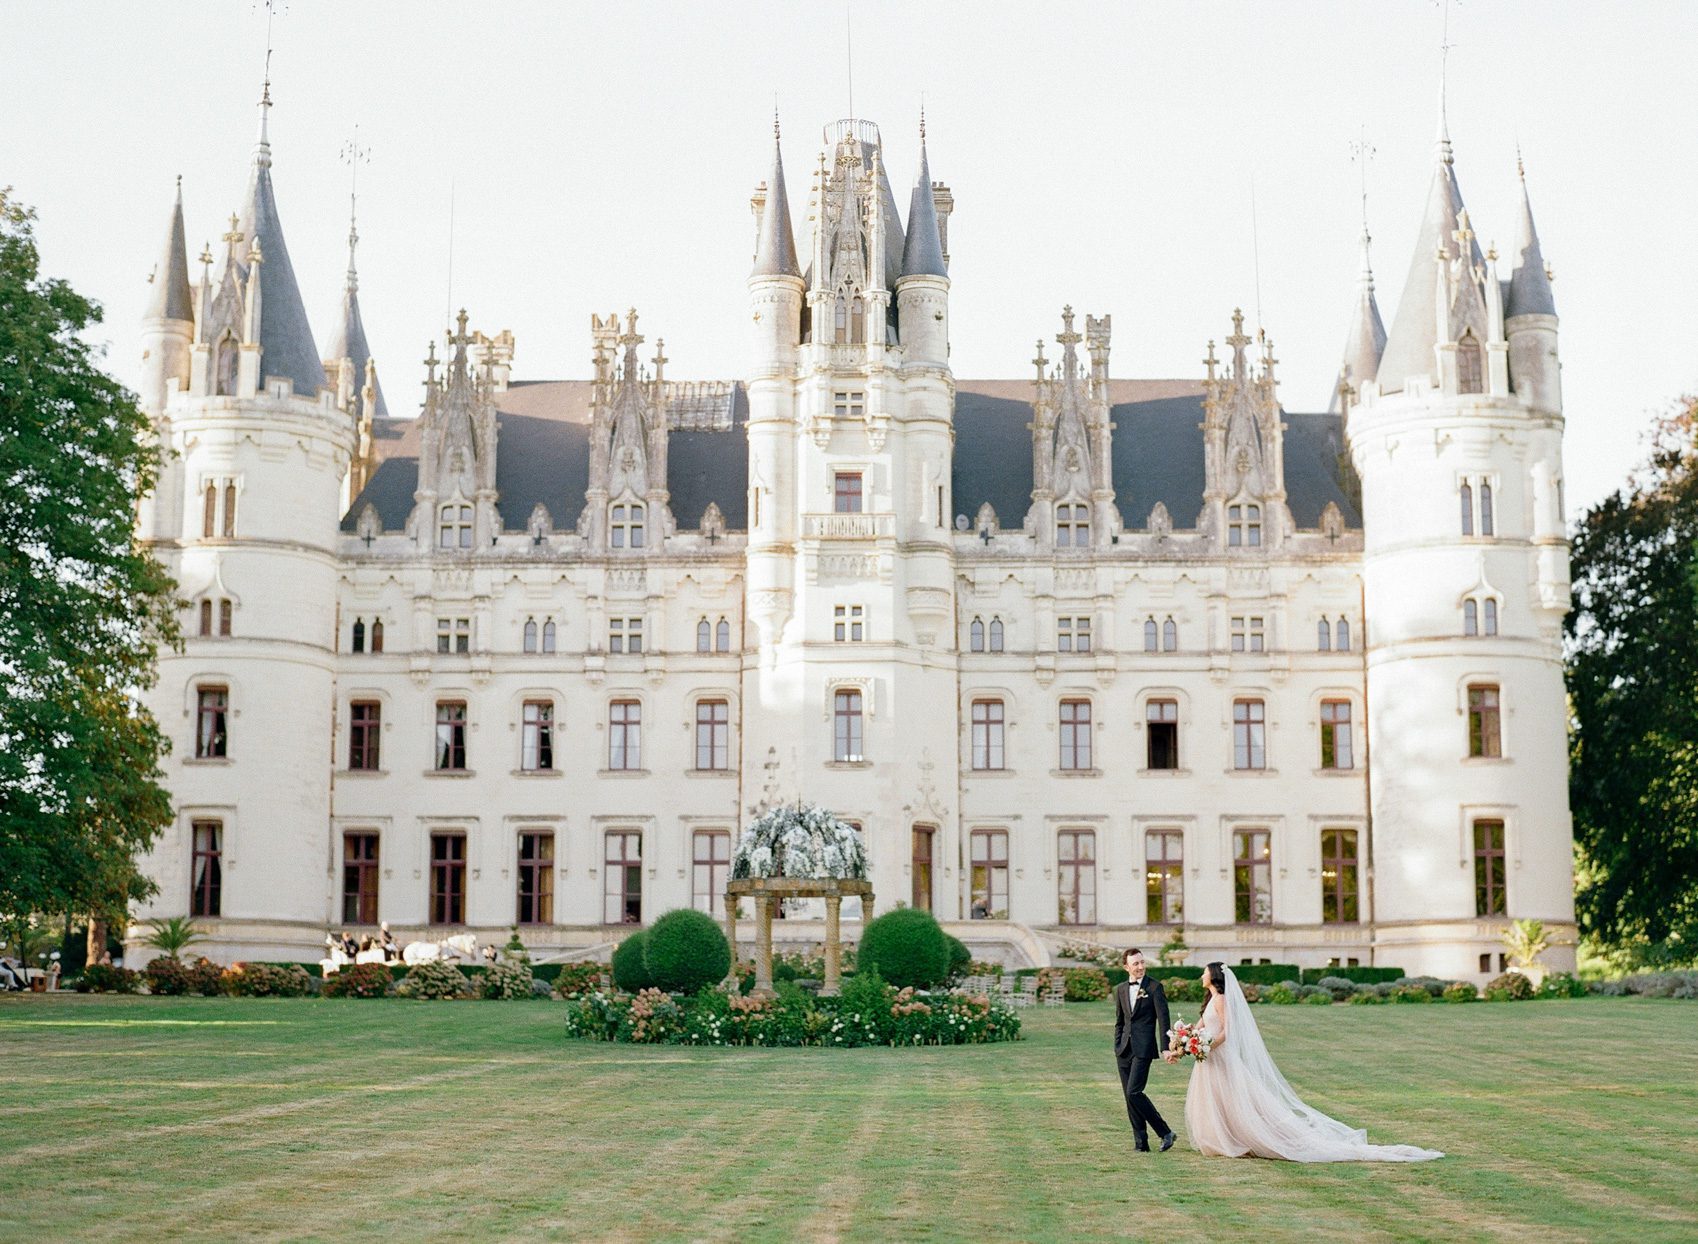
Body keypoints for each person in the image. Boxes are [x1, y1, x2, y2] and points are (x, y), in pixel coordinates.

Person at [1182, 962, 1443, 1162]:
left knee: (1234, 1099)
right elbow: (1200, 1027)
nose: (1201, 976)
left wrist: (1207, 1045)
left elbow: (1227, 1032)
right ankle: (1221, 1140)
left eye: (1204, 972)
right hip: (1208, 1059)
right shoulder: (1209, 1000)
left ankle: (1241, 1139)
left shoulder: (1223, 1000)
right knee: (1215, 1100)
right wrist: (1184, 1041)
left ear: (1214, 976)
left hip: (1219, 1056)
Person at [1112, 947, 1177, 1153]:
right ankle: (1141, 1144)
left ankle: (1165, 1132)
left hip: (1143, 1048)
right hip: (1123, 1049)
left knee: (1134, 1092)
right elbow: (1120, 1022)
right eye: (1136, 964)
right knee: (1129, 1097)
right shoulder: (1121, 989)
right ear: (1126, 967)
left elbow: (1163, 1020)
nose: (1140, 967)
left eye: (1142, 962)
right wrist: (1117, 1045)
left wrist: (1166, 1048)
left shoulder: (1155, 987)